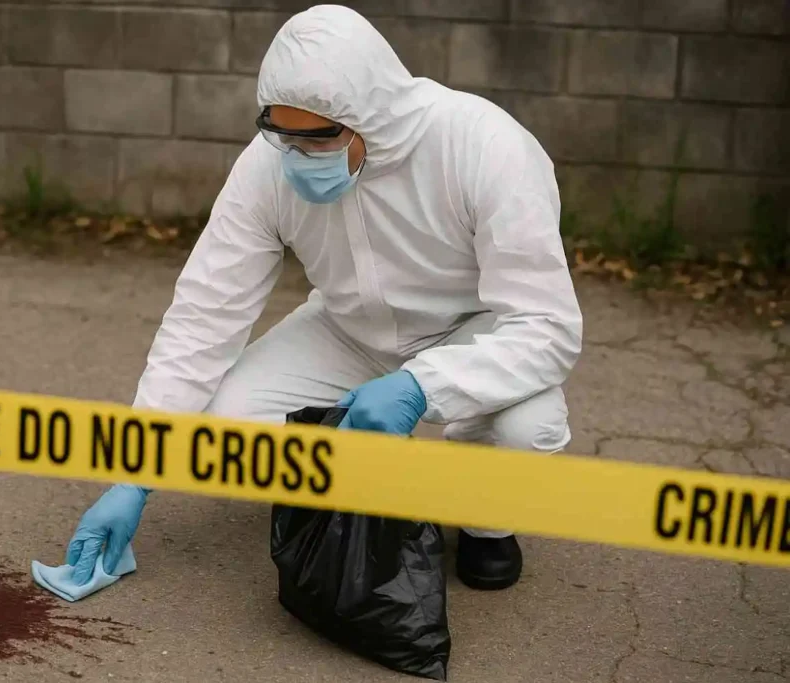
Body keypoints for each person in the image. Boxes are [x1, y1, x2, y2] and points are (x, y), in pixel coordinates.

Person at [65, 4, 583, 592]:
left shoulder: (485, 147)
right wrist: (135, 474)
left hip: (471, 330)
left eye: (318, 138)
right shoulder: (268, 165)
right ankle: (374, 494)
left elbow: (547, 327)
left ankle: (487, 524)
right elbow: (205, 311)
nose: (297, 156)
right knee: (231, 424)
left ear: (372, 119)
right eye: (283, 134)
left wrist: (423, 386)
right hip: (348, 331)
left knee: (525, 428)